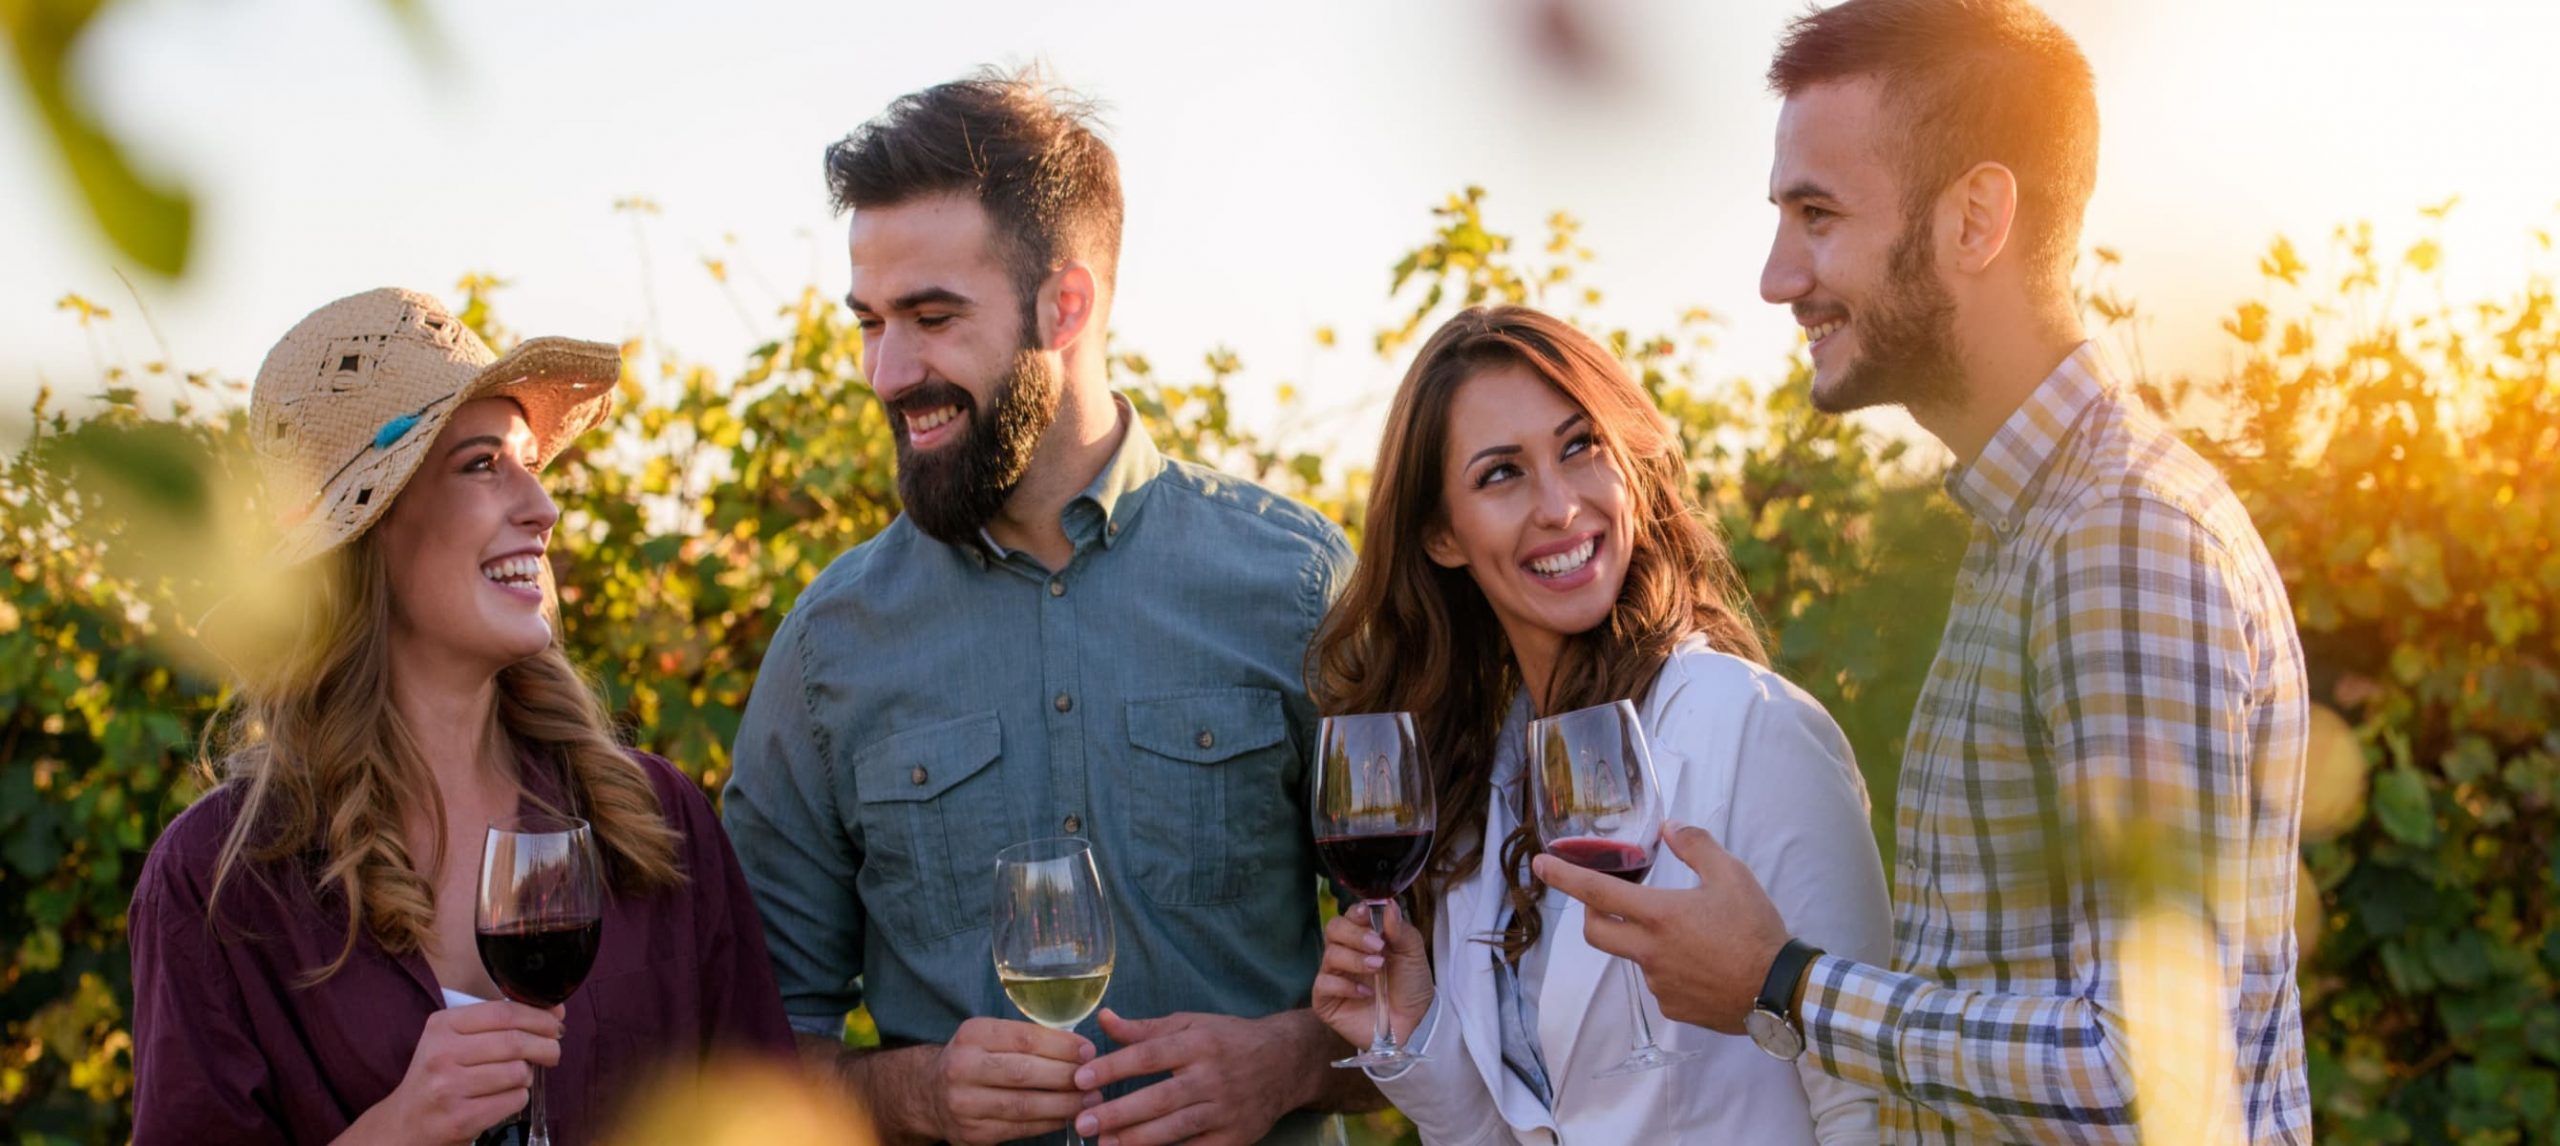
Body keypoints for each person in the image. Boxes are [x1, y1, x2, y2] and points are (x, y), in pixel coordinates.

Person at [1537, 2, 2313, 1142]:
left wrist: (1783, 981)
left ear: (1976, 218)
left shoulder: (2122, 538)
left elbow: (2148, 1067)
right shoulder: (2029, 529)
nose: (1775, 275)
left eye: (1817, 214)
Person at [720, 70, 1373, 1146]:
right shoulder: (829, 650)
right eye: (871, 323)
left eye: (932, 317)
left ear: (1064, 305)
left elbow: (1457, 981)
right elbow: (757, 1046)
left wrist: (1287, 1063)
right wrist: (918, 1093)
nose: (887, 371)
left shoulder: (1298, 588)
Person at [128, 287, 794, 1145]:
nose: (542, 509)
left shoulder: (655, 826)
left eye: (530, 463)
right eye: (482, 465)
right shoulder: (218, 883)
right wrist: (397, 1131)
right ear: (364, 537)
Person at [1303, 305, 1893, 1144]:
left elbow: (1865, 1103)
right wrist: (1416, 1030)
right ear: (1441, 536)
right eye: (1501, 474)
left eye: (1580, 446)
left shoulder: (1751, 730)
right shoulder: (1482, 788)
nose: (1560, 505)